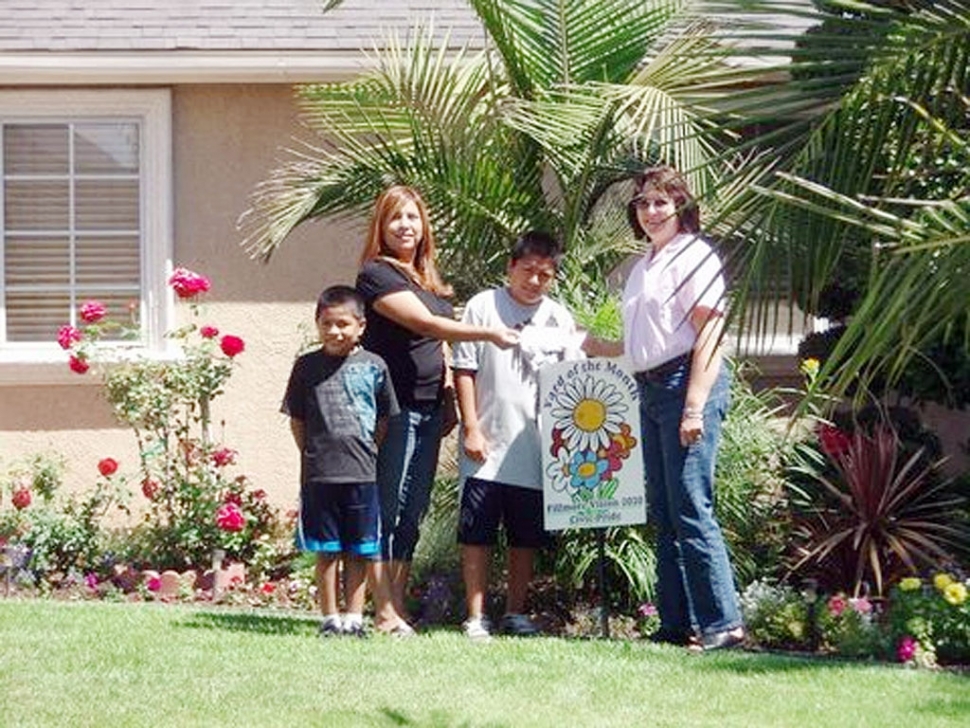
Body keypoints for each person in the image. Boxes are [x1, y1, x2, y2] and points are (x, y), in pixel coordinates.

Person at [583, 165, 744, 651]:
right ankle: (676, 625)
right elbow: (645, 344)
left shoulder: (695, 256)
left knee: (692, 506)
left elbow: (709, 334)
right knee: (666, 513)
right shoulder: (644, 265)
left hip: (685, 387)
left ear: (680, 207)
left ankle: (722, 624)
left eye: (660, 202)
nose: (651, 211)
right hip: (650, 389)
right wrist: (597, 344)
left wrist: (694, 406)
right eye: (643, 204)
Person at [355, 185, 519, 620]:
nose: (405, 226)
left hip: (429, 406)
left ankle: (397, 605)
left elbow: (436, 347)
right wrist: (489, 332)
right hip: (395, 407)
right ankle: (384, 610)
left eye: (412, 217)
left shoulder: (426, 280)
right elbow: (426, 325)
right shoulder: (376, 274)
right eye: (396, 218)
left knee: (413, 513)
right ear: (381, 226)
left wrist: (448, 394)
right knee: (387, 509)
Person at [453, 231, 581, 640]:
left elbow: (571, 380)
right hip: (486, 444)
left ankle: (515, 612)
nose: (534, 280)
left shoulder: (558, 317)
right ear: (511, 267)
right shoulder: (482, 306)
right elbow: (463, 369)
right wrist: (471, 427)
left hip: (537, 448)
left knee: (525, 537)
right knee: (478, 533)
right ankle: (476, 616)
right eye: (527, 270)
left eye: (545, 274)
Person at [282, 285, 412, 637]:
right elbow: (298, 420)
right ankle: (330, 618)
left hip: (362, 475)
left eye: (343, 324)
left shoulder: (374, 366)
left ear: (361, 326)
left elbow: (384, 420)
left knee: (359, 550)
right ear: (317, 324)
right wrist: (313, 454)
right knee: (326, 551)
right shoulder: (306, 367)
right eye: (327, 324)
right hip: (320, 476)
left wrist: (366, 450)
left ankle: (354, 619)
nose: (335, 331)